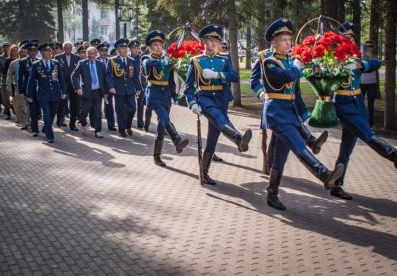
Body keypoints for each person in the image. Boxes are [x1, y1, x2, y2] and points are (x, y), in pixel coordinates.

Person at [249, 18, 344, 210]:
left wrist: (305, 114)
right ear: (273, 43)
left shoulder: (290, 62)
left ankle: (272, 194)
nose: (287, 43)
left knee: (280, 159)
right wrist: (297, 67)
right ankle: (324, 175)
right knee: (299, 146)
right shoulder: (269, 62)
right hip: (276, 115)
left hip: (290, 113)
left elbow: (296, 93)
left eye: (289, 39)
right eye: (283, 40)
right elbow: (284, 77)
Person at [332, 22, 397, 200]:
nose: (350, 39)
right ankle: (393, 155)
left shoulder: (357, 56)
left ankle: (337, 185)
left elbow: (375, 62)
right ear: (339, 39)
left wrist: (363, 65)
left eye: (352, 37)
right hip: (343, 104)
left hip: (358, 103)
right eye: (347, 37)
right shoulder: (332, 57)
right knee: (367, 133)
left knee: (346, 148)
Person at [184, 24, 252, 185]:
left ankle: (204, 172)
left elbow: (234, 77)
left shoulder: (225, 59)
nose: (214, 43)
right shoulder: (195, 61)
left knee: (213, 138)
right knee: (220, 119)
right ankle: (238, 138)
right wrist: (192, 103)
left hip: (221, 97)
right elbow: (188, 88)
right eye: (210, 39)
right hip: (205, 97)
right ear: (204, 41)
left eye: (216, 40)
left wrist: (217, 74)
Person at [142, 30, 189, 166]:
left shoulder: (168, 60)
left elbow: (170, 80)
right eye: (155, 44)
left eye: (160, 44)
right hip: (154, 93)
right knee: (165, 118)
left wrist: (175, 95)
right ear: (150, 47)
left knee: (162, 126)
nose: (158, 47)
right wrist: (164, 62)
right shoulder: (147, 58)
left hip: (166, 94)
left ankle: (157, 156)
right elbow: (147, 66)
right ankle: (177, 140)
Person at [26, 43, 66, 143]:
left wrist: (64, 91)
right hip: (43, 94)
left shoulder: (55, 63)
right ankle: (50, 136)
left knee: (52, 113)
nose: (48, 52)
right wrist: (29, 94)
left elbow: (61, 78)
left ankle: (46, 128)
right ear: (41, 53)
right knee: (47, 115)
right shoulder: (36, 64)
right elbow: (31, 80)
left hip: (55, 93)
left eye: (49, 51)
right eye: (46, 51)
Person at [106, 38, 141, 137]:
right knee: (120, 110)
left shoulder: (132, 61)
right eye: (122, 48)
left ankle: (128, 125)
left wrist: (138, 88)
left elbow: (135, 76)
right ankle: (122, 130)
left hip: (130, 89)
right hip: (118, 89)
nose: (124, 50)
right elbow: (108, 75)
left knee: (132, 108)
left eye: (126, 48)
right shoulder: (112, 61)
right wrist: (111, 87)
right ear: (117, 50)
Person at [71, 47, 107, 138]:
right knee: (84, 111)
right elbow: (74, 76)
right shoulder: (82, 63)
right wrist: (77, 88)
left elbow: (105, 78)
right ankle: (83, 123)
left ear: (96, 54)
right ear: (87, 54)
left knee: (98, 112)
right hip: (86, 92)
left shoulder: (101, 64)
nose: (90, 55)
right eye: (89, 53)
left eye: (92, 53)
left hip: (98, 92)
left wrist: (106, 91)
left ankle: (98, 131)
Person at [55, 41, 81, 130]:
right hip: (63, 84)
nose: (68, 49)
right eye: (66, 48)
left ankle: (72, 124)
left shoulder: (77, 58)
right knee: (61, 104)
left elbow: (79, 72)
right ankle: (60, 120)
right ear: (63, 48)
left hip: (74, 85)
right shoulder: (58, 57)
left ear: (72, 48)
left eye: (69, 48)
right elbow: (55, 72)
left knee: (75, 105)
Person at [18, 41, 40, 136]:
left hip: (40, 90)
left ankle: (40, 125)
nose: (33, 52)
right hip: (29, 90)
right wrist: (21, 91)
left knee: (39, 111)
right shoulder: (23, 62)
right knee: (33, 110)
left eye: (34, 50)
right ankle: (34, 129)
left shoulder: (40, 61)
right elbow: (20, 77)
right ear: (28, 51)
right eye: (31, 50)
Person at [360, 40, 380, 128]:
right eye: (366, 46)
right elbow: (360, 67)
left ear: (373, 47)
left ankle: (370, 125)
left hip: (372, 84)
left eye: (370, 46)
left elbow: (375, 65)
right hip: (362, 84)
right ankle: (360, 123)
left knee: (370, 105)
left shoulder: (375, 58)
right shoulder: (361, 57)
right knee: (360, 103)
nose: (368, 47)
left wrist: (369, 56)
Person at [96, 42, 116, 131]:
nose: (104, 52)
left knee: (109, 106)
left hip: (108, 87)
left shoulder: (110, 61)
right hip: (98, 87)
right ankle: (95, 124)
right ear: (98, 52)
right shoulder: (95, 60)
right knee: (96, 107)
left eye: (105, 50)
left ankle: (111, 125)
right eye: (101, 51)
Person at [7, 43, 28, 126]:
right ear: (18, 53)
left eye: (25, 52)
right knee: (21, 106)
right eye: (21, 52)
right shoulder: (14, 63)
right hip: (18, 87)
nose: (23, 54)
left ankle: (28, 120)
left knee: (29, 107)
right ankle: (25, 123)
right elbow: (9, 76)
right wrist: (9, 87)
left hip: (29, 87)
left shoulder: (31, 62)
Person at [128, 39, 146, 129]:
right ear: (130, 49)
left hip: (141, 84)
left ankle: (140, 122)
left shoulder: (143, 58)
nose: (136, 49)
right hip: (130, 84)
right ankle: (128, 121)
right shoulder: (127, 58)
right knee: (130, 105)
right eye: (133, 48)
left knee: (141, 104)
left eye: (137, 48)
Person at [0, 43, 11, 119]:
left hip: (13, 78)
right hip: (4, 78)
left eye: (7, 47)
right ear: (3, 48)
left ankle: (15, 109)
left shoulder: (13, 56)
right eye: (5, 47)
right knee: (5, 95)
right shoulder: (0, 58)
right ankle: (7, 110)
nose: (6, 49)